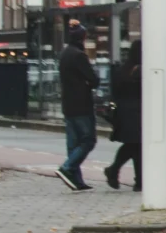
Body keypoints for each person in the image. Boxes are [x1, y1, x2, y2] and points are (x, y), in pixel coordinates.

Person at [56, 23, 98, 191]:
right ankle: (66, 167)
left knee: (73, 144)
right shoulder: (79, 55)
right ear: (82, 38)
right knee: (88, 140)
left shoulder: (64, 54)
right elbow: (94, 80)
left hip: (68, 104)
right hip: (82, 104)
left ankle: (76, 180)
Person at [105, 40, 143, 191]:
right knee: (136, 145)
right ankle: (119, 171)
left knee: (134, 145)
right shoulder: (140, 70)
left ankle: (135, 178)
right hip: (138, 112)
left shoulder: (122, 70)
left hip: (123, 112)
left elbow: (115, 91)